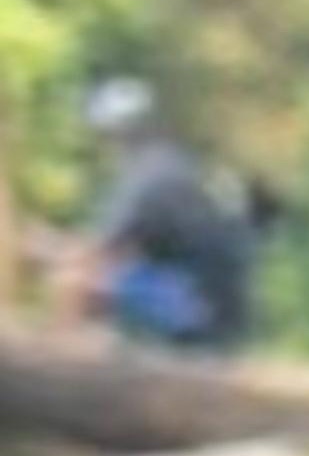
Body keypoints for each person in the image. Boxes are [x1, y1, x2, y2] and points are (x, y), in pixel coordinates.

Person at [64, 78, 261, 352]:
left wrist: (52, 253)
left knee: (84, 280)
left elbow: (97, 249)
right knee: (112, 274)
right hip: (226, 304)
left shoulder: (145, 176)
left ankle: (71, 367)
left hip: (198, 305)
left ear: (116, 134)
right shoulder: (174, 163)